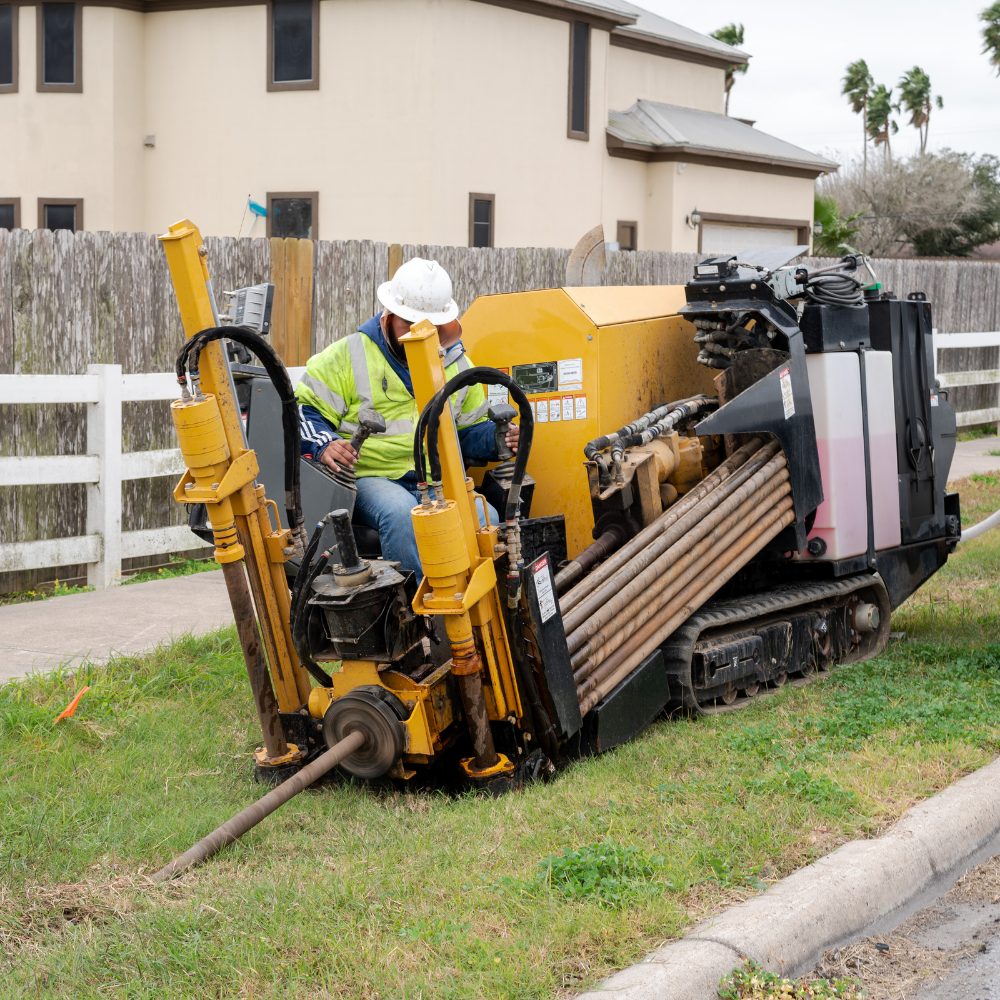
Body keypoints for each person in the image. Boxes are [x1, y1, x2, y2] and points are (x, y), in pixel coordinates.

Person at [295, 257, 518, 574]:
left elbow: (469, 433)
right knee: (402, 516)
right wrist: (325, 444)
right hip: (371, 478)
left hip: (435, 481)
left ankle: (472, 609)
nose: (418, 334)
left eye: (430, 327)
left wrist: (499, 439)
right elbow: (304, 411)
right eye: (407, 324)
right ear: (387, 314)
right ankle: (417, 615)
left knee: (487, 519)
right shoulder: (347, 355)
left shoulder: (457, 366)